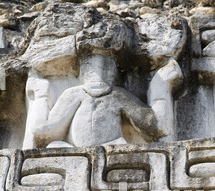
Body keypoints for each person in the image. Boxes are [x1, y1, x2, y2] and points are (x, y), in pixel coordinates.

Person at [24, 53, 183, 149]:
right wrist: (41, 95)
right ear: (82, 72)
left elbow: (156, 126)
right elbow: (43, 132)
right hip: (71, 152)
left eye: (106, 66)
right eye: (91, 66)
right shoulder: (73, 93)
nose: (99, 71)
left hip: (113, 150)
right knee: (53, 147)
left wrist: (160, 87)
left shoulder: (118, 94)